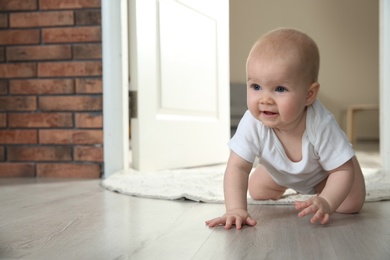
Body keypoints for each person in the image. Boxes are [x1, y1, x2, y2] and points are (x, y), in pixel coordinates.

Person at [206, 28, 366, 229]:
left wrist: (326, 201)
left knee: (350, 204)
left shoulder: (321, 124)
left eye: (280, 89)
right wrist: (235, 209)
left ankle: (337, 166)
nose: (265, 99)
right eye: (256, 87)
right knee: (256, 190)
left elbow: (342, 171)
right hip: (281, 173)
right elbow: (237, 166)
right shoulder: (253, 121)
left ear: (309, 95)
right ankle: (281, 176)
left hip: (326, 173)